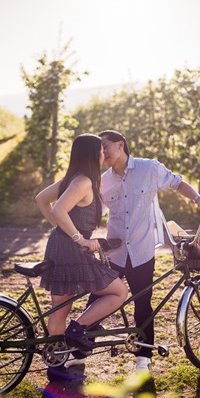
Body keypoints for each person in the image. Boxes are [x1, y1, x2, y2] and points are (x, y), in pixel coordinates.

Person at [88, 129, 200, 372]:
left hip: (142, 250)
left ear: (120, 145)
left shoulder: (149, 169)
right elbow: (94, 212)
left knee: (143, 304)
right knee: (97, 298)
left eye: (105, 146)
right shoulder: (103, 181)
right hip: (114, 251)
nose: (102, 152)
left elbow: (177, 183)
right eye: (98, 149)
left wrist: (198, 198)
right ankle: (80, 351)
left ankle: (143, 358)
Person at [35, 133, 128, 353]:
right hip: (71, 250)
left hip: (61, 245)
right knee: (119, 292)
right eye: (100, 150)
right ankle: (77, 330)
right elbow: (58, 209)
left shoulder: (73, 178)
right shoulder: (84, 182)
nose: (103, 153)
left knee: (59, 310)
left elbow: (41, 199)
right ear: (91, 154)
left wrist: (62, 229)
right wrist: (79, 238)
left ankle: (56, 362)